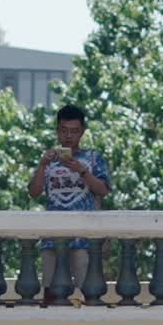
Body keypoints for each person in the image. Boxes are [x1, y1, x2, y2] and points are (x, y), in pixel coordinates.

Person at [28, 104, 110, 296]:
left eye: (74, 131)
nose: (69, 136)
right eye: (64, 131)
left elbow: (103, 189)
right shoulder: (49, 160)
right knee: (50, 289)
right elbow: (34, 192)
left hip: (83, 238)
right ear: (57, 131)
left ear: (82, 132)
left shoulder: (93, 157)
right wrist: (42, 165)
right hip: (52, 237)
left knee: (87, 291)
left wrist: (81, 170)